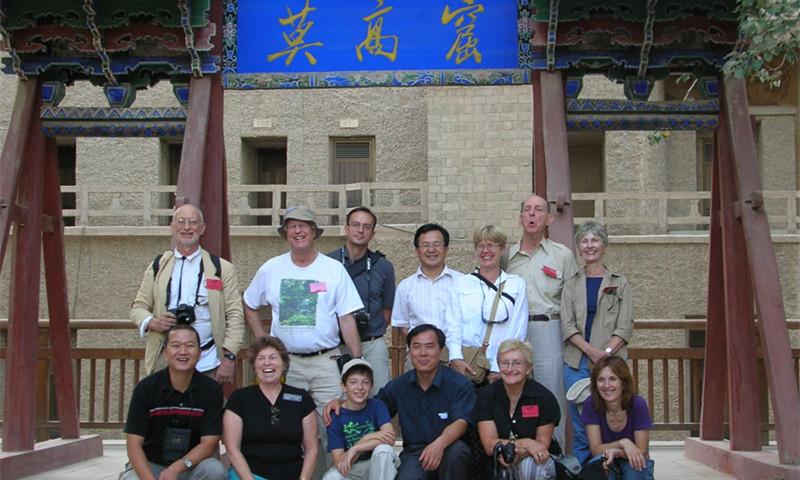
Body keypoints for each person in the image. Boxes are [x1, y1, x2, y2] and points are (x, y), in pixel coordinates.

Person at [243, 206, 363, 478]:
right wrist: (263, 339)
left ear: (314, 232)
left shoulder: (333, 270)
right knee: (291, 430)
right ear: (286, 233)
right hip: (288, 365)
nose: (298, 231)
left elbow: (346, 319)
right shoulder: (271, 268)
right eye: (292, 226)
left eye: (304, 226)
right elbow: (249, 304)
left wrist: (355, 363)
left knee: (333, 428)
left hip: (326, 363)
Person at [325, 324, 475, 480]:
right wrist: (341, 402)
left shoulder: (459, 384)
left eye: (429, 347)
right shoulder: (399, 385)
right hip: (415, 453)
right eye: (416, 347)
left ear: (441, 350)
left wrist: (439, 444)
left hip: (448, 447)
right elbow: (371, 407)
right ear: (409, 351)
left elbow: (461, 422)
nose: (423, 353)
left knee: (458, 453)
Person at [130, 203, 245, 382]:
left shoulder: (221, 268)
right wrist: (152, 322)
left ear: (202, 228)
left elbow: (235, 314)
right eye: (181, 222)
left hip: (209, 361)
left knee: (207, 408)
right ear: (172, 227)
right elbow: (138, 307)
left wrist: (229, 357)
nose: (186, 227)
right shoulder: (158, 266)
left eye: (192, 222)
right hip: (165, 358)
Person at [506, 194, 578, 445]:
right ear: (520, 218)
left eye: (538, 210)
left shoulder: (563, 256)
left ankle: (554, 459)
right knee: (516, 392)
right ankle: (518, 455)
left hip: (549, 329)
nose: (532, 214)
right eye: (527, 209)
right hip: (515, 332)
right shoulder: (507, 256)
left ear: (548, 218)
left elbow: (573, 302)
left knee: (551, 395)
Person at [561, 221, 634, 463]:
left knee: (614, 419)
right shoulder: (570, 283)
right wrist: (591, 351)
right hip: (577, 362)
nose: (589, 245)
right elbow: (567, 325)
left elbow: (624, 327)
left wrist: (606, 353)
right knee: (582, 426)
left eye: (595, 240)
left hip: (612, 364)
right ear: (579, 247)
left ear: (604, 245)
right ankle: (585, 472)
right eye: (584, 241)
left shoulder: (619, 282)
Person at [120, 324, 226, 480]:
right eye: (175, 346)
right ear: (165, 353)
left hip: (190, 465)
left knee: (215, 470)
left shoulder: (211, 390)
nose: (183, 352)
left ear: (200, 353)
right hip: (152, 464)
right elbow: (133, 445)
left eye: (190, 346)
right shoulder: (146, 388)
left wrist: (176, 468)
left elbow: (208, 443)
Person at [223, 336, 318, 480]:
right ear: (254, 365)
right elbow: (232, 449)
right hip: (249, 475)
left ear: (284, 364)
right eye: (261, 358)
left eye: (273, 357)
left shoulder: (302, 398)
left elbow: (311, 449)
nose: (267, 363)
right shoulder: (239, 398)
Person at [327, 207, 396, 393]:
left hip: (371, 344)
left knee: (379, 398)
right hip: (335, 346)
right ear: (346, 228)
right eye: (355, 225)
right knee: (336, 400)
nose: (360, 230)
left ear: (372, 233)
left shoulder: (383, 266)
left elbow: (386, 311)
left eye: (366, 227)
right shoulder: (327, 263)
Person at [449, 225, 528, 384]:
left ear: (502, 249)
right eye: (481, 246)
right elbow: (453, 323)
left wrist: (501, 367)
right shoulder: (461, 283)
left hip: (503, 368)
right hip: (467, 364)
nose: (486, 251)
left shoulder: (516, 284)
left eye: (491, 245)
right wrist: (455, 357)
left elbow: (518, 328)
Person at [474, 339, 560, 480]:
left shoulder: (543, 397)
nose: (510, 369)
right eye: (505, 363)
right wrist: (526, 442)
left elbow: (541, 446)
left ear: (529, 368)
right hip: (497, 459)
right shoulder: (486, 396)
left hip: (536, 459)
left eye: (517, 363)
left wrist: (521, 452)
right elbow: (490, 445)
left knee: (529, 467)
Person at [391, 223, 461, 367]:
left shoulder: (462, 282)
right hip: (419, 358)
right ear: (417, 250)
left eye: (436, 244)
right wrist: (421, 345)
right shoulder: (406, 286)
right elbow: (401, 323)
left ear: (446, 249)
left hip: (455, 356)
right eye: (425, 245)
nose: (431, 250)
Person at [322, 358, 399, 480]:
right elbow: (340, 462)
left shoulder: (377, 405)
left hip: (376, 464)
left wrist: (359, 445)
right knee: (331, 477)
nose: (360, 387)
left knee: (383, 450)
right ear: (343, 386)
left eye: (366, 382)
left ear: (371, 386)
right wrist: (362, 444)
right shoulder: (335, 415)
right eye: (353, 382)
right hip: (352, 468)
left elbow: (389, 438)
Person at [582, 356, 654, 480]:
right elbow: (595, 449)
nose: (606, 385)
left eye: (612, 379)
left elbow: (641, 452)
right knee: (602, 465)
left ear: (624, 383)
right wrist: (623, 443)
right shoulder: (591, 403)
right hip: (605, 456)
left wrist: (617, 452)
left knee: (635, 466)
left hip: (632, 459)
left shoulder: (638, 404)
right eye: (601, 380)